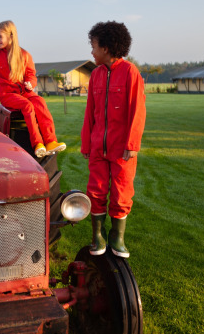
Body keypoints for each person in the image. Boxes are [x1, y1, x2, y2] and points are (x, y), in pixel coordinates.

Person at [81, 21, 146, 258]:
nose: (92, 51)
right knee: (96, 190)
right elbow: (90, 113)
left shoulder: (130, 73)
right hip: (98, 147)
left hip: (122, 150)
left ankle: (117, 237)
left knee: (121, 193)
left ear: (106, 48)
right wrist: (87, 143)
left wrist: (132, 145)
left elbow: (138, 111)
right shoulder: (95, 75)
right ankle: (97, 235)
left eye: (94, 46)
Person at [0, 20, 65, 158]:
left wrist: (30, 84)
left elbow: (31, 75)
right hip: (7, 94)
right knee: (27, 106)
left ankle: (51, 142)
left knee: (40, 103)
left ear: (11, 36)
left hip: (25, 92)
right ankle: (37, 143)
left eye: (0, 36)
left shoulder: (25, 55)